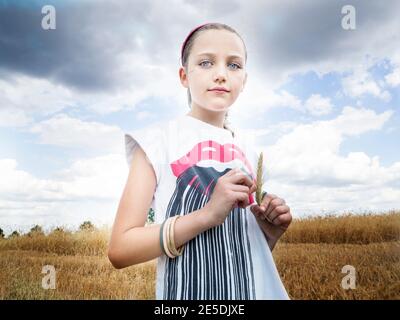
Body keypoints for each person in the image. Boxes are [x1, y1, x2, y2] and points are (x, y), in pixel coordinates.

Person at [108, 22, 292, 300]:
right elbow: (120, 249)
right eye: (206, 63)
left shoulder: (250, 151)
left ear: (245, 80)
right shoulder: (158, 141)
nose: (221, 74)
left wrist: (269, 233)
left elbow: (243, 252)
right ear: (184, 76)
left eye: (234, 65)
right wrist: (207, 215)